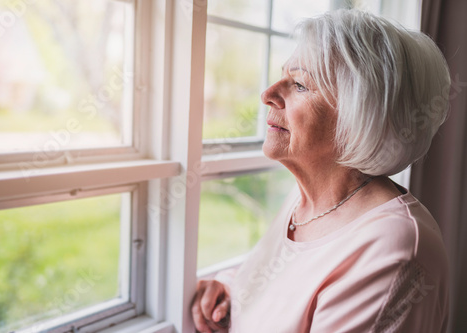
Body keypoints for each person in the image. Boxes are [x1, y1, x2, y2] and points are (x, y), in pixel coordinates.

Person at [191, 9, 450, 333]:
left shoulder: (392, 248)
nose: (268, 94)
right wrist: (226, 292)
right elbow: (283, 293)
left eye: (299, 84)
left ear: (360, 119)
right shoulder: (307, 202)